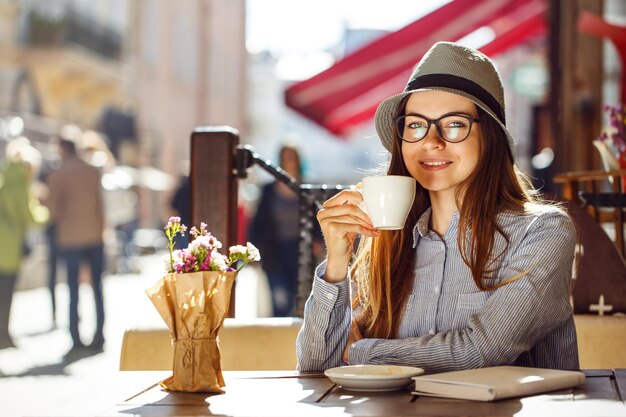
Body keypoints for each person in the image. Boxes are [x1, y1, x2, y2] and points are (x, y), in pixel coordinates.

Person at [296, 42, 579, 373]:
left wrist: (360, 351)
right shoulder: (385, 242)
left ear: (490, 137)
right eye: (415, 125)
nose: (431, 141)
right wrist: (336, 262)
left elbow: (482, 350)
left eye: (455, 124)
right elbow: (315, 369)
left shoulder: (544, 233)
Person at [47, 136, 106, 355]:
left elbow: (53, 210)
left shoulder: (58, 174)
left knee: (73, 289)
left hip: (70, 238)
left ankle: (76, 337)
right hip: (95, 236)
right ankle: (100, 334)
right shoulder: (92, 170)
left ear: (63, 148)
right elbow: (100, 204)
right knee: (97, 287)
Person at [0, 137, 48, 349]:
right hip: (9, 249)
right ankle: (3, 335)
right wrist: (48, 213)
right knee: (6, 296)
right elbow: (31, 217)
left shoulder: (3, 177)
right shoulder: (20, 184)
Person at [249, 144, 305, 317]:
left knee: (300, 302)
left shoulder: (305, 188)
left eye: (292, 157)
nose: (289, 162)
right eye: (285, 157)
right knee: (279, 301)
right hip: (275, 253)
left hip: (301, 253)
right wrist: (254, 251)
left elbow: (316, 217)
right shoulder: (268, 190)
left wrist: (318, 241)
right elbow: (258, 222)